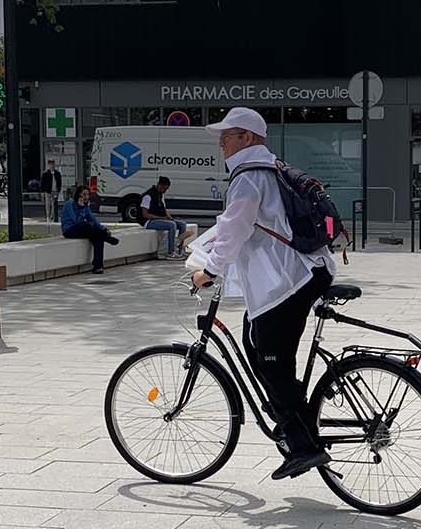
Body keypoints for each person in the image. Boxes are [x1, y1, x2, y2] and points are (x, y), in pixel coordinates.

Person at [190, 107, 336, 481]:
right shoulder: (268, 167)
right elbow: (240, 226)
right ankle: (296, 415)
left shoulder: (249, 177)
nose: (221, 142)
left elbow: (235, 227)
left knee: (272, 362)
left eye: (228, 135)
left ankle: (304, 445)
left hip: (289, 281)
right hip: (301, 273)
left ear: (249, 138)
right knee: (255, 341)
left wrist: (210, 270)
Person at [61, 186, 118, 274]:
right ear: (78, 195)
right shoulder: (70, 204)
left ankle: (98, 267)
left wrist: (104, 228)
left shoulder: (85, 206)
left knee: (98, 237)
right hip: (70, 230)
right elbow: (76, 221)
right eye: (84, 194)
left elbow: (93, 219)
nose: (86, 197)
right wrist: (81, 208)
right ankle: (106, 237)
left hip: (82, 229)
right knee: (87, 225)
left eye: (88, 194)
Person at [140, 176, 187, 259]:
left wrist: (170, 218)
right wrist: (161, 218)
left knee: (182, 224)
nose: (165, 191)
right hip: (149, 221)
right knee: (171, 225)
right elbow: (145, 214)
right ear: (159, 186)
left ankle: (179, 250)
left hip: (161, 219)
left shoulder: (160, 195)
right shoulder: (148, 196)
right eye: (164, 189)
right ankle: (171, 252)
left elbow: (164, 210)